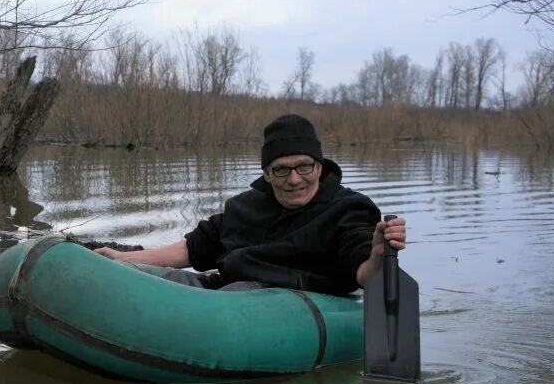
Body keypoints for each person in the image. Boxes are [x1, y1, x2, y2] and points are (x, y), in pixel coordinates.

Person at [94, 114, 407, 295]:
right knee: (138, 277)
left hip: (286, 301)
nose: (295, 179)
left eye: (304, 167)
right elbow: (193, 249)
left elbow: (365, 274)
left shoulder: (350, 209)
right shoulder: (244, 207)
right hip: (222, 289)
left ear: (320, 167)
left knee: (232, 296)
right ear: (267, 174)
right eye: (282, 169)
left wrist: (379, 255)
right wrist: (125, 259)